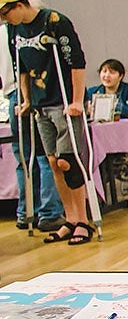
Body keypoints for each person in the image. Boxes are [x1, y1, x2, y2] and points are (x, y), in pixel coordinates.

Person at [2, 0, 95, 244]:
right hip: (41, 105)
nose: (4, 19)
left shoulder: (55, 21)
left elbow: (77, 62)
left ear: (19, 5)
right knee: (53, 162)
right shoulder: (13, 29)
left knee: (69, 162)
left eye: (5, 13)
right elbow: (20, 67)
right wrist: (27, 99)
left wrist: (77, 100)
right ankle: (70, 218)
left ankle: (83, 222)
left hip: (63, 101)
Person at [3, 13, 65, 232]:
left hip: (13, 95)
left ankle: (26, 211)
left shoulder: (10, 32)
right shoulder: (18, 31)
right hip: (30, 92)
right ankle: (49, 213)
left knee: (24, 157)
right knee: (43, 155)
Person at [84, 59, 128, 144]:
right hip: (101, 135)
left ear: (121, 76)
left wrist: (114, 107)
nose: (107, 75)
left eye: (112, 72)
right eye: (104, 71)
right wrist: (87, 110)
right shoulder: (92, 92)